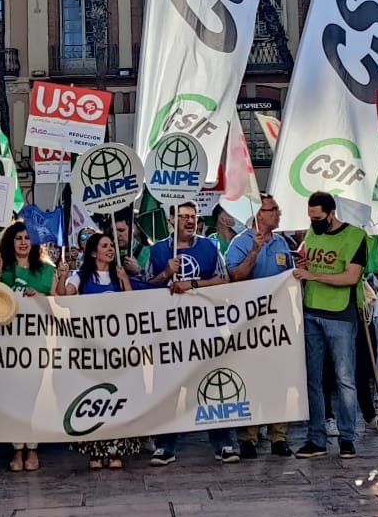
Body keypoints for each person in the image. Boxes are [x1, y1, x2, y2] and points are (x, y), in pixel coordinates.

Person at [144, 201, 234, 464]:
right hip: (170, 331)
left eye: (192, 216)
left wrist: (192, 284)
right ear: (171, 219)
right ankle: (166, 445)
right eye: (183, 216)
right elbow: (148, 286)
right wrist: (166, 274)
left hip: (204, 328)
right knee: (168, 387)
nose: (189, 221)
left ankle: (223, 442)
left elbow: (223, 279)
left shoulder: (209, 247)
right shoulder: (159, 250)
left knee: (212, 384)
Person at [293, 193, 366, 460]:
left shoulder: (355, 236)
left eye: (318, 218)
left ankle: (347, 437)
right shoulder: (312, 234)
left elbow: (351, 276)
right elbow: (308, 260)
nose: (314, 222)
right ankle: (316, 437)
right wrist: (303, 265)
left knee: (344, 379)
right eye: (311, 218)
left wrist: (312, 274)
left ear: (331, 213)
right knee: (313, 379)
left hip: (340, 314)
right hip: (312, 310)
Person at [58, 231, 137, 468]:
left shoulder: (118, 275)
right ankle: (95, 451)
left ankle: (115, 451)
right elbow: (63, 299)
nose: (111, 249)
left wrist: (125, 279)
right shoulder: (80, 277)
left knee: (115, 397)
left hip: (116, 351)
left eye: (112, 245)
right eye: (105, 245)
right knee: (94, 397)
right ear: (93, 253)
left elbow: (133, 305)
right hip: (90, 351)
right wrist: (62, 278)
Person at [224, 195, 294, 458]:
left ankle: (278, 436)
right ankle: (248, 438)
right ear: (259, 215)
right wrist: (255, 250)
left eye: (277, 208)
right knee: (250, 379)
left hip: (279, 324)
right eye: (272, 209)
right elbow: (236, 277)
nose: (278, 213)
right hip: (249, 325)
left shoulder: (282, 243)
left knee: (279, 379)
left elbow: (288, 277)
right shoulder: (239, 243)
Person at [0, 222, 47, 472]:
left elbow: (57, 302)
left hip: (36, 345)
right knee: (13, 397)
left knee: (32, 397)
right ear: (10, 242)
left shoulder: (45, 270)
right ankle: (17, 449)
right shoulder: (4, 270)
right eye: (18, 238)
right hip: (8, 347)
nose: (23, 242)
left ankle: (32, 449)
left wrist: (40, 298)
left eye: (27, 238)